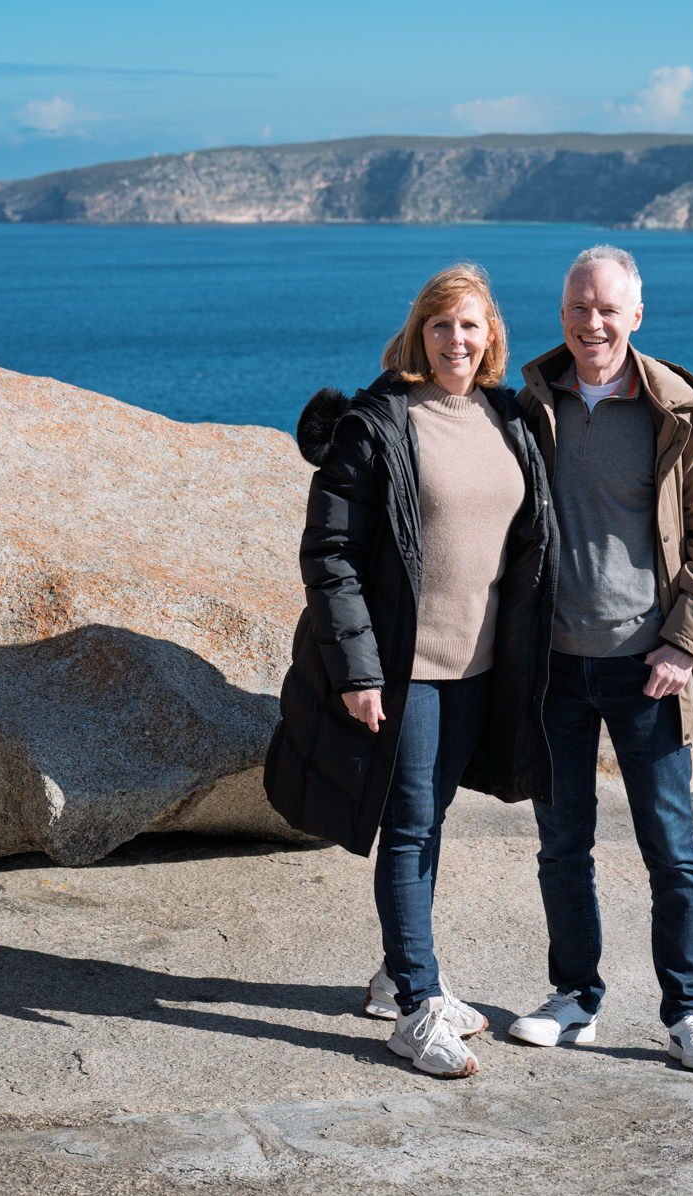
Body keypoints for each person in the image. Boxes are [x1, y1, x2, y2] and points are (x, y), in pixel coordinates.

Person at [264, 263, 554, 1079]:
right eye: (441, 324)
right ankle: (418, 1005)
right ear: (417, 333)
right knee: (412, 822)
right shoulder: (380, 423)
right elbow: (330, 555)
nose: (456, 339)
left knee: (432, 816)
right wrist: (358, 672)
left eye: (471, 325)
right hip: (406, 667)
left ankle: (398, 974)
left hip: (479, 663)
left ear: (491, 335)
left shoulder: (506, 416)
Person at [507, 244, 693, 1074]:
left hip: (648, 668)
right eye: (579, 307)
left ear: (636, 316)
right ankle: (574, 998)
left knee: (670, 849)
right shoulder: (531, 405)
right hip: (554, 668)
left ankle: (689, 1013)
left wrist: (684, 642)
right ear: (562, 314)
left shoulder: (677, 411)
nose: (593, 323)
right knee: (561, 845)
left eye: (608, 308)